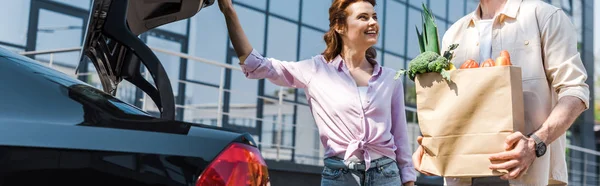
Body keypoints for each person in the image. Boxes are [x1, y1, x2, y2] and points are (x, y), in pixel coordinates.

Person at [216, 0, 417, 185]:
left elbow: (400, 136)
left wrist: (408, 180)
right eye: (363, 17)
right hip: (339, 175)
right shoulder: (315, 70)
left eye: (374, 17)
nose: (373, 22)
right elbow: (256, 65)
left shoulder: (391, 78)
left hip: (386, 175)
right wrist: (229, 12)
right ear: (339, 26)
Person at [412, 0, 589, 185]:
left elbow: (575, 91)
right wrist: (433, 142)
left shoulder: (545, 17)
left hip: (530, 174)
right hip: (463, 176)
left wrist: (535, 143)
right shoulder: (454, 34)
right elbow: (451, 104)